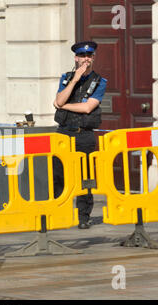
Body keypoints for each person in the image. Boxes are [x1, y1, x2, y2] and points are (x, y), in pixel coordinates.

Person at [53, 41, 107, 229]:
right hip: (64, 133)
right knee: (58, 175)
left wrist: (64, 106)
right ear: (76, 58)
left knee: (85, 176)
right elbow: (59, 98)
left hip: (83, 135)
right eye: (83, 56)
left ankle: (83, 217)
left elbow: (87, 107)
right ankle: (59, 213)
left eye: (89, 56)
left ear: (93, 58)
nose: (86, 59)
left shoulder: (99, 81)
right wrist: (75, 79)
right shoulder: (66, 78)